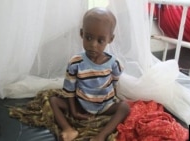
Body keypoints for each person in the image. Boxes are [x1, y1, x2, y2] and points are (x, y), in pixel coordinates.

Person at [49, 7, 130, 141]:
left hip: (105, 106)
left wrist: (109, 98)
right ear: (82, 33)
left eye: (100, 41)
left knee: (125, 107)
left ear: (110, 39)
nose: (93, 45)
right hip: (82, 103)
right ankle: (67, 129)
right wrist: (74, 111)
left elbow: (114, 82)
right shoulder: (75, 62)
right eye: (88, 37)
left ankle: (101, 135)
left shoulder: (114, 63)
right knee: (53, 101)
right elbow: (69, 90)